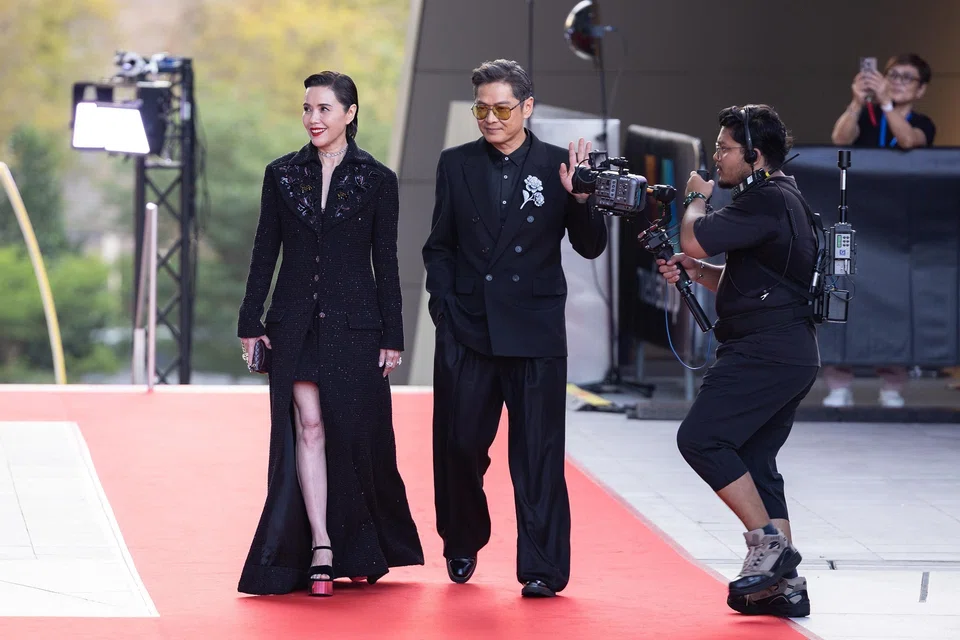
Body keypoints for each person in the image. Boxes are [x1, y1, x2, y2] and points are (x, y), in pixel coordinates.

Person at [422, 59, 607, 598]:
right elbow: (439, 245)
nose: (490, 118)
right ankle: (462, 537)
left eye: (502, 107)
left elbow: (590, 245)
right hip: (468, 329)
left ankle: (543, 567)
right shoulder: (455, 164)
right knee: (457, 445)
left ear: (528, 107)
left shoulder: (559, 166)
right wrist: (445, 309)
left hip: (534, 329)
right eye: (481, 108)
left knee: (538, 453)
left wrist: (581, 197)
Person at [236, 71, 423, 597]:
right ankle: (320, 545)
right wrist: (250, 319)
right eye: (306, 109)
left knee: (354, 435)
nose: (312, 119)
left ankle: (361, 546)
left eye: (323, 109)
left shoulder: (378, 180)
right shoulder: (281, 174)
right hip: (293, 324)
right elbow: (263, 251)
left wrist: (393, 334)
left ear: (350, 113)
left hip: (356, 326)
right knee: (310, 426)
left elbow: (386, 262)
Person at [658, 105, 818, 618]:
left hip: (763, 353)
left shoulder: (766, 199)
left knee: (700, 439)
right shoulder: (781, 198)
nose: (717, 157)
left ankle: (768, 545)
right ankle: (785, 587)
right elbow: (749, 283)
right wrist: (698, 271)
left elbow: (692, 233)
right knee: (756, 463)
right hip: (790, 351)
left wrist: (695, 199)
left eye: (725, 148)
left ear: (753, 154)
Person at [826, 53, 935, 408]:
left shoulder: (923, 122)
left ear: (921, 89)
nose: (899, 81)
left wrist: (887, 102)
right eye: (894, 75)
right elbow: (840, 138)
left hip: (899, 229)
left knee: (895, 303)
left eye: (908, 78)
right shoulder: (868, 115)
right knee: (844, 291)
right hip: (860, 220)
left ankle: (892, 385)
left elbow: (909, 141)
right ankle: (839, 383)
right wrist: (858, 101)